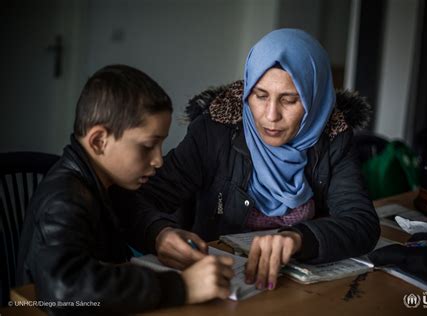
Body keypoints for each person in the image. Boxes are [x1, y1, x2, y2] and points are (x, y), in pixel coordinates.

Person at [119, 29, 380, 291]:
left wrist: (299, 239)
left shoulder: (333, 137)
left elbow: (361, 222)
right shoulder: (214, 132)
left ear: (315, 101)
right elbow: (136, 199)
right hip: (223, 285)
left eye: (289, 100)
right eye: (260, 95)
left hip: (296, 290)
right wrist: (158, 233)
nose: (270, 115)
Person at [16, 65, 234, 314]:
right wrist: (182, 286)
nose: (158, 160)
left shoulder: (104, 181)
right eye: (148, 146)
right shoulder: (65, 199)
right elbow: (65, 291)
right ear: (99, 141)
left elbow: (129, 211)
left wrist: (159, 234)